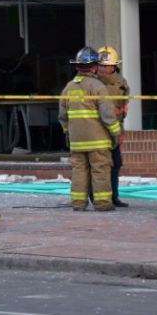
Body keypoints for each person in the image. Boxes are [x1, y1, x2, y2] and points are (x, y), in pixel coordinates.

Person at [59, 47, 122, 211]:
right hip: (98, 141)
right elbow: (108, 115)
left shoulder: (68, 88)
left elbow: (63, 117)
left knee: (79, 171)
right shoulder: (98, 87)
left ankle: (78, 203)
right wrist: (116, 134)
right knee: (100, 170)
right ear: (94, 66)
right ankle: (102, 204)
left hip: (77, 142)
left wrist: (68, 133)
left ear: (77, 67)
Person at [94, 46, 130, 208]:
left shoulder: (121, 82)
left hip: (115, 129)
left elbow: (124, 105)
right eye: (101, 65)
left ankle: (114, 196)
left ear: (114, 66)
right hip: (98, 129)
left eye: (107, 65)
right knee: (100, 165)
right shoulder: (93, 83)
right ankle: (98, 197)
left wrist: (121, 128)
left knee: (116, 163)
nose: (104, 69)